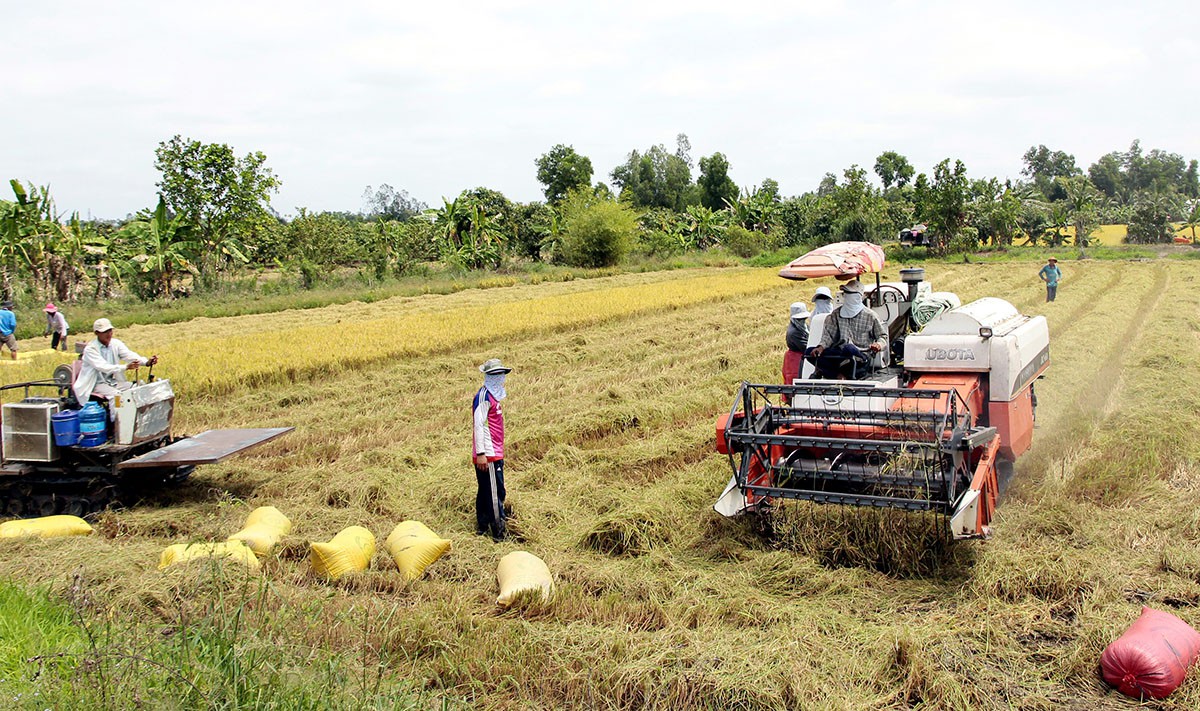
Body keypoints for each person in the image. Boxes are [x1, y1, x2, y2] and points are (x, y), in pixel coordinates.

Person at [808, 280, 887, 379]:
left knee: (849, 348)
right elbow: (828, 336)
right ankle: (837, 375)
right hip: (840, 355)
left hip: (860, 356)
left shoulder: (870, 316)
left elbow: (883, 337)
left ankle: (837, 372)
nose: (847, 296)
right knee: (809, 352)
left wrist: (878, 344)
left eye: (850, 293)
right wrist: (820, 347)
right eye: (846, 293)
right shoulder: (836, 314)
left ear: (858, 296)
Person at [73, 318, 158, 407]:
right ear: (97, 333)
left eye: (110, 330)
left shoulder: (115, 344)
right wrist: (126, 367)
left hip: (112, 382)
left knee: (138, 387)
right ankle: (117, 419)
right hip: (96, 384)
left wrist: (146, 362)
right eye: (105, 331)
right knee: (117, 396)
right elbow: (104, 367)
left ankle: (137, 415)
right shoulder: (91, 349)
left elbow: (129, 355)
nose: (109, 334)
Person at [473, 358, 512, 540]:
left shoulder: (494, 396)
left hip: (494, 450)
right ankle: (499, 533)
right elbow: (479, 425)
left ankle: (482, 526)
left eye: (501, 375)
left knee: (486, 490)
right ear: (488, 376)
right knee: (496, 492)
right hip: (489, 455)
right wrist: (482, 454)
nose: (500, 379)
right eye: (495, 375)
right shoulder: (483, 397)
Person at [782, 302, 810, 388]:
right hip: (796, 360)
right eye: (800, 319)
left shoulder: (804, 327)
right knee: (795, 384)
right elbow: (806, 348)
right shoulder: (794, 333)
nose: (802, 321)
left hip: (802, 357)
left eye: (804, 318)